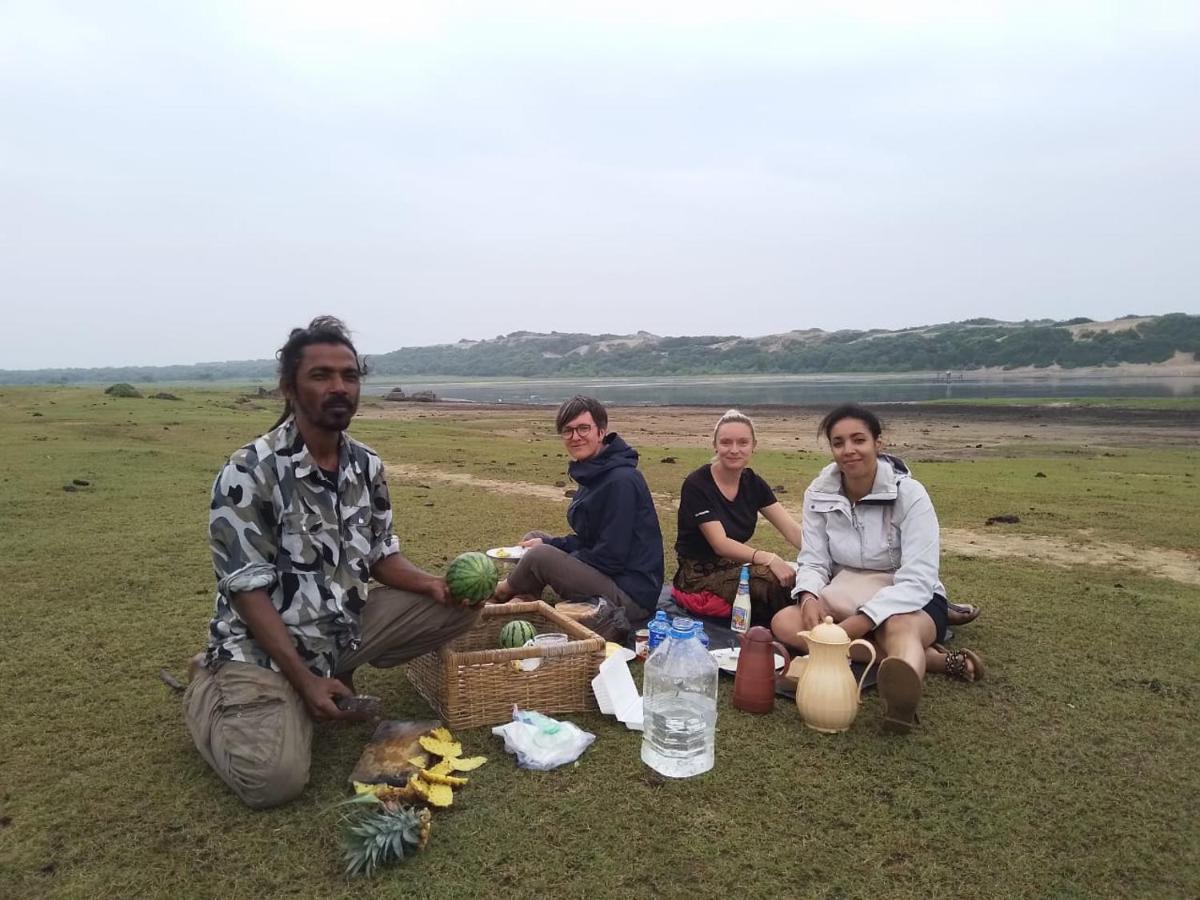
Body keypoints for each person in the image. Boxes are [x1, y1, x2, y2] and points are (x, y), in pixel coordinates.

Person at [184, 316, 478, 809]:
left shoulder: (367, 466)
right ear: (290, 386)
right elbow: (247, 591)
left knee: (464, 606)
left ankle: (330, 675)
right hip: (263, 649)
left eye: (350, 375)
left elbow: (382, 555)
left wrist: (432, 586)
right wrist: (304, 680)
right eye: (321, 375)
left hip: (343, 629)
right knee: (273, 782)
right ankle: (208, 688)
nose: (339, 387)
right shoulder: (248, 471)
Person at [771, 404, 985, 733]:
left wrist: (861, 622)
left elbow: (918, 579)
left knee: (898, 628)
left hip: (907, 596)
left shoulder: (910, 495)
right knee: (786, 623)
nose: (849, 450)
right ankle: (932, 660)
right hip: (846, 590)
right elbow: (813, 559)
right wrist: (809, 596)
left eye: (859, 440)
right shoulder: (818, 493)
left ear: (878, 444)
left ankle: (901, 704)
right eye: (839, 442)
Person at [492, 396, 663, 638]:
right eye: (568, 430)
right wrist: (552, 544)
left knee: (541, 554)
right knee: (536, 539)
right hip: (610, 574)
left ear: (601, 432)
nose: (576, 436)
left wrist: (554, 552)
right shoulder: (595, 469)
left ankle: (502, 592)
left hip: (629, 595)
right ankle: (525, 599)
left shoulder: (620, 481)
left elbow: (610, 557)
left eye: (583, 428)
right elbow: (591, 540)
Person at [672, 409, 803, 626]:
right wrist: (770, 558)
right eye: (726, 442)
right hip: (697, 578)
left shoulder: (753, 483)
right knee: (770, 579)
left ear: (753, 446)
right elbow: (720, 544)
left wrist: (825, 559)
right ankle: (788, 632)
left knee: (802, 575)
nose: (734, 450)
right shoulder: (697, 484)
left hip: (733, 567)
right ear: (715, 445)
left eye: (743, 443)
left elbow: (791, 530)